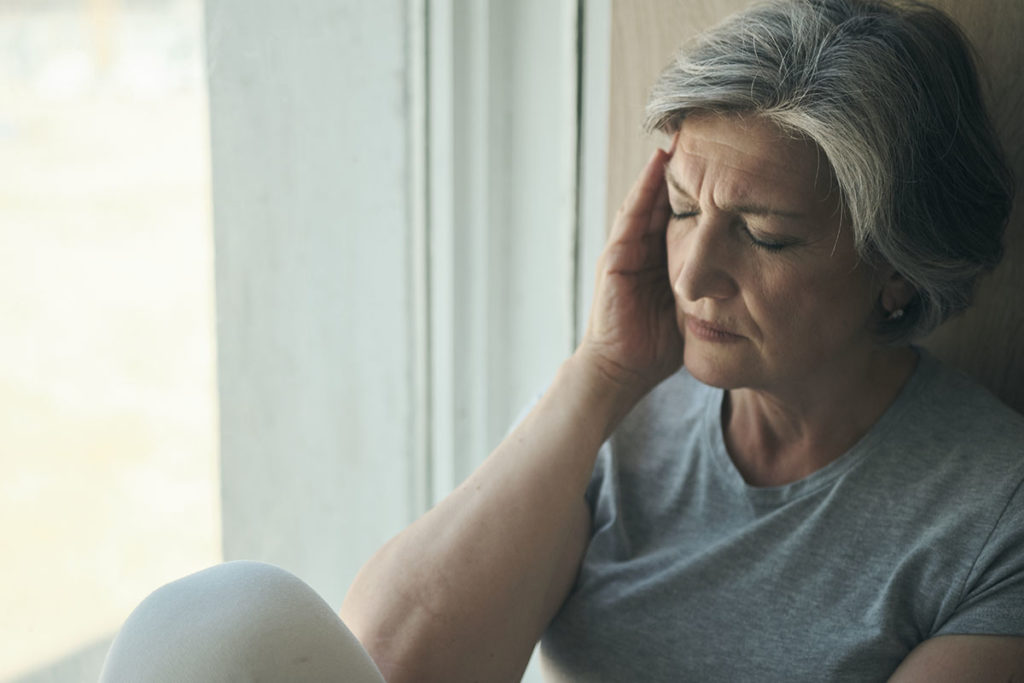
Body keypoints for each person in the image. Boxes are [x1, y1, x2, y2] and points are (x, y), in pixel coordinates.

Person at [100, 0, 1024, 680]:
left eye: (765, 233)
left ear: (897, 265)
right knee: (227, 619)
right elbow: (386, 662)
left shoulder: (991, 513)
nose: (692, 271)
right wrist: (600, 374)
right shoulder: (631, 412)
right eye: (682, 206)